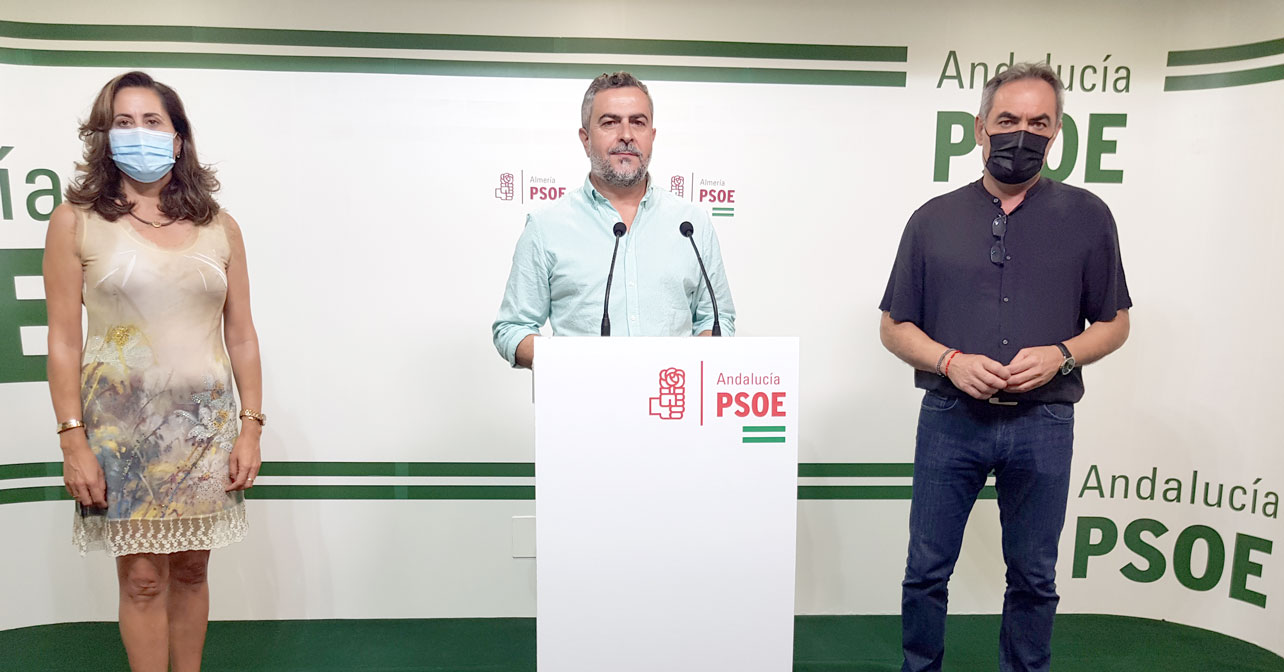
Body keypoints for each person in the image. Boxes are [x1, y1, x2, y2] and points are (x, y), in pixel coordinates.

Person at [878, 62, 1131, 672]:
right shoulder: (932, 219)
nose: (1023, 134)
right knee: (926, 571)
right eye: (1009, 120)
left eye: (1039, 123)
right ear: (980, 129)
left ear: (1058, 131)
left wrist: (1062, 355)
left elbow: (1115, 322)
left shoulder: (1088, 216)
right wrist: (949, 361)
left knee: (1034, 577)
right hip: (950, 417)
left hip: (1044, 422)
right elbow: (893, 326)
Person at [43, 70, 265, 672]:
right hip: (121, 435)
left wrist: (250, 425)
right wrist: (72, 440)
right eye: (123, 122)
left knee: (192, 569)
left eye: (151, 121)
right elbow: (63, 340)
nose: (137, 132)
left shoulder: (221, 226)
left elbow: (241, 334)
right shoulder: (76, 221)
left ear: (177, 136)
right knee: (142, 579)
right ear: (103, 135)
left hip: (204, 430)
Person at [492, 71, 735, 367]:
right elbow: (512, 329)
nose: (627, 135)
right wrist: (576, 362)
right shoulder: (546, 226)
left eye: (638, 122)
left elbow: (717, 319)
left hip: (670, 393)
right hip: (584, 394)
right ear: (585, 139)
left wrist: (692, 364)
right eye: (610, 122)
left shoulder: (691, 224)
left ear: (652, 137)